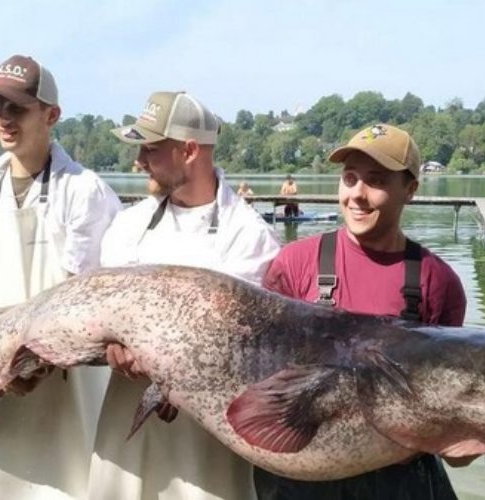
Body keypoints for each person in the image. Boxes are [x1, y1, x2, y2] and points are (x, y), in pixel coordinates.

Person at [255, 124, 485, 500]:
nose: (357, 195)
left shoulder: (438, 281)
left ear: (410, 189)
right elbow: (262, 379)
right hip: (305, 470)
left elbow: (450, 404)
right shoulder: (295, 262)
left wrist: (465, 440)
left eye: (375, 181)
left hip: (398, 479)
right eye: (349, 179)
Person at [0, 54, 122, 500]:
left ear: (51, 115)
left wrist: (38, 357)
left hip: (66, 382)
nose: (3, 117)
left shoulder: (85, 191)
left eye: (17, 107)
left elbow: (92, 296)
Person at [87, 91, 281, 500]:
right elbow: (104, 317)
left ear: (189, 150)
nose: (138, 159)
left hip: (207, 431)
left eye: (151, 148)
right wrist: (114, 347)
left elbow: (236, 343)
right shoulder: (128, 225)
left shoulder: (249, 237)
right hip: (125, 423)